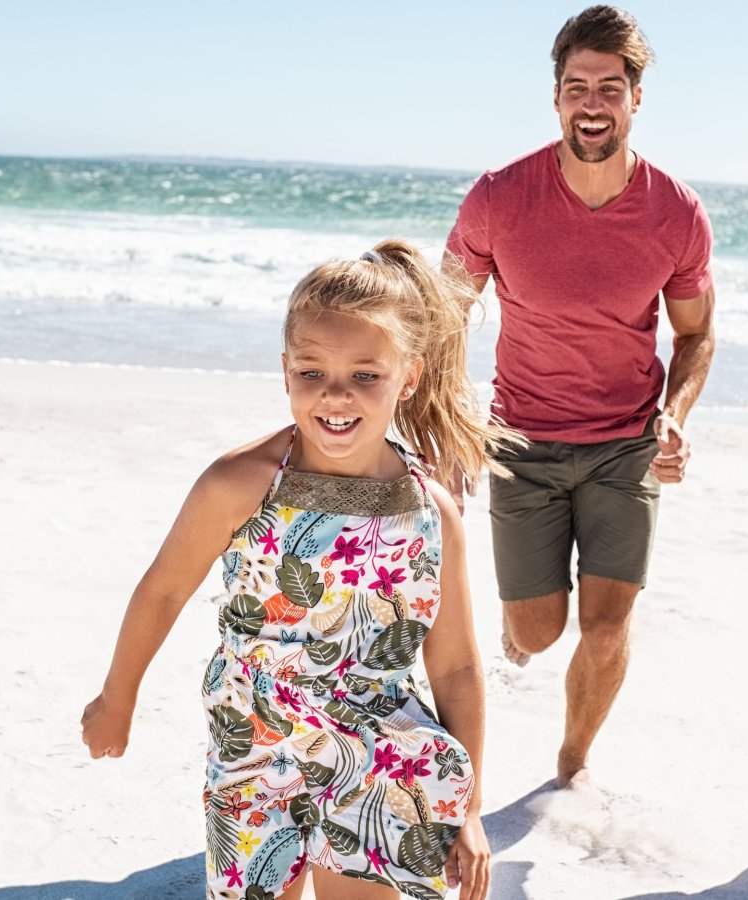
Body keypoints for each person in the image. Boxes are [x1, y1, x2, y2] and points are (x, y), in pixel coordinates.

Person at [81, 239, 519, 900]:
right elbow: (164, 589)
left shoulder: (430, 512)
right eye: (312, 373)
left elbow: (455, 665)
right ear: (286, 371)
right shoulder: (240, 484)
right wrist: (118, 696)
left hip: (378, 758)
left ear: (410, 376)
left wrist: (472, 807)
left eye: (366, 375)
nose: (335, 396)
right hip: (255, 750)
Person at [444, 4, 716, 792]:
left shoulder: (676, 212)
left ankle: (572, 761)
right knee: (537, 630)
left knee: (606, 627)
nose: (591, 104)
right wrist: (449, 421)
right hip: (521, 442)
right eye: (576, 88)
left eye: (608, 88)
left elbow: (696, 335)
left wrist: (675, 413)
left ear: (635, 98)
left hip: (625, 444)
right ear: (556, 97)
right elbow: (444, 313)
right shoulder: (500, 197)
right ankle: (518, 622)